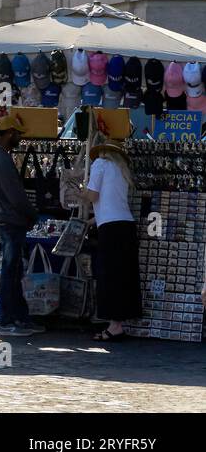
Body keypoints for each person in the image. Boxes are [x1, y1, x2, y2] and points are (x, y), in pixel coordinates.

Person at [0, 113, 43, 339]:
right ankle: (7, 320)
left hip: (9, 219)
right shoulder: (1, 159)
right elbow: (15, 195)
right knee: (10, 272)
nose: (19, 137)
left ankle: (19, 317)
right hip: (11, 220)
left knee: (14, 270)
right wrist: (32, 214)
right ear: (8, 134)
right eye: (17, 134)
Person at [83, 136, 141, 342]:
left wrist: (78, 190)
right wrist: (93, 220)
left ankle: (114, 325)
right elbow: (111, 203)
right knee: (123, 276)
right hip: (125, 225)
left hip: (111, 229)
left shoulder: (100, 164)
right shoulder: (121, 170)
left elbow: (93, 196)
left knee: (109, 276)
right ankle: (119, 323)